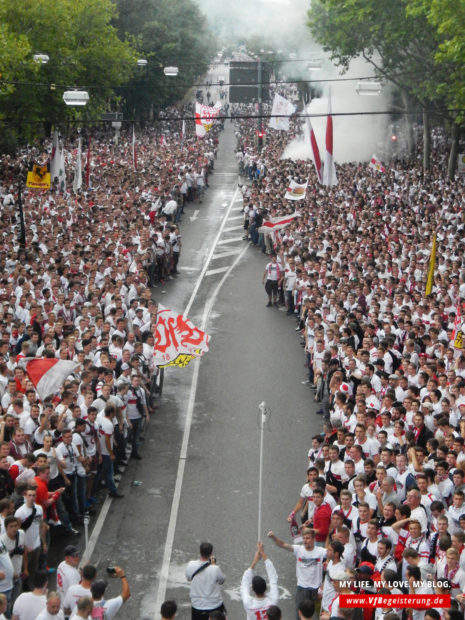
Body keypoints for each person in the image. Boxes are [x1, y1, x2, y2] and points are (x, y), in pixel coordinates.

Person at [268, 528, 325, 619]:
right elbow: (283, 544)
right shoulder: (298, 550)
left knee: (320, 614)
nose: (305, 540)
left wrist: (322, 586)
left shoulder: (321, 551)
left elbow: (332, 557)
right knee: (299, 614)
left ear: (313, 539)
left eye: (308, 538)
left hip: (316, 589)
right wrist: (274, 538)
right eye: (304, 538)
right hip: (302, 588)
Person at [14, 487, 46, 589]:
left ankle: (32, 587)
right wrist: (23, 546)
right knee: (24, 570)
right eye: (29, 495)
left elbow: (41, 526)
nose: (32, 498)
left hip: (36, 544)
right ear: (25, 496)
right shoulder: (20, 512)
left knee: (34, 568)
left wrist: (43, 543)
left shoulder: (39, 509)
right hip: (26, 547)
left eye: (33, 495)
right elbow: (17, 531)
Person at [185, 542, 225, 619]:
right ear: (211, 553)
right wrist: (213, 565)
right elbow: (221, 580)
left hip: (197, 606)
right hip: (214, 605)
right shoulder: (215, 569)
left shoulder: (191, 565)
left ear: (200, 552)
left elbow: (188, 578)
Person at [240, 541, 279, 620]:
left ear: (253, 590)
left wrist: (254, 561)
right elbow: (273, 577)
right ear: (266, 588)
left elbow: (245, 582)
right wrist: (262, 553)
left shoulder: (248, 603)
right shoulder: (273, 600)